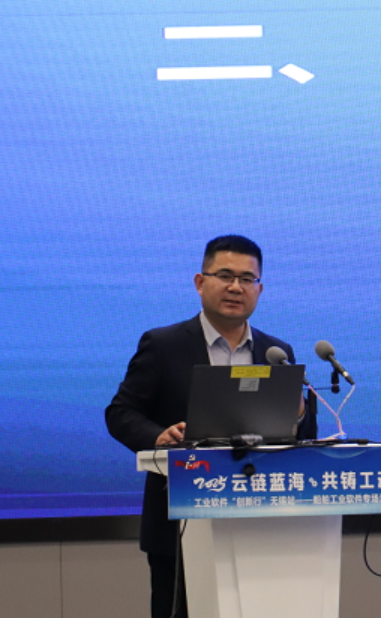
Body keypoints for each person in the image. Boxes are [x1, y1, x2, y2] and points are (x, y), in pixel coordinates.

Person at [105, 234, 317, 618]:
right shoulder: (163, 344)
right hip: (181, 524)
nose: (236, 287)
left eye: (247, 279)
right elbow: (120, 413)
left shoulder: (276, 353)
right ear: (200, 282)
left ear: (260, 289)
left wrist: (299, 412)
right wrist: (157, 437)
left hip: (262, 525)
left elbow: (304, 436)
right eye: (225, 276)